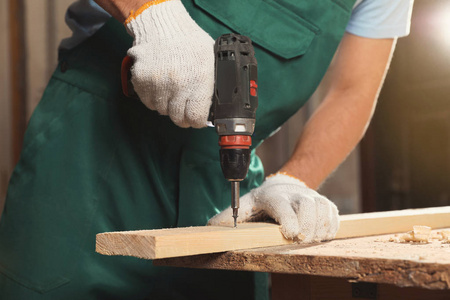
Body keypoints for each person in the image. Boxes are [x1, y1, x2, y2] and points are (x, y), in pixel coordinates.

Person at [0, 0, 413, 299]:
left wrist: (293, 180)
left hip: (220, 183)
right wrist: (150, 12)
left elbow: (352, 91)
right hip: (91, 147)